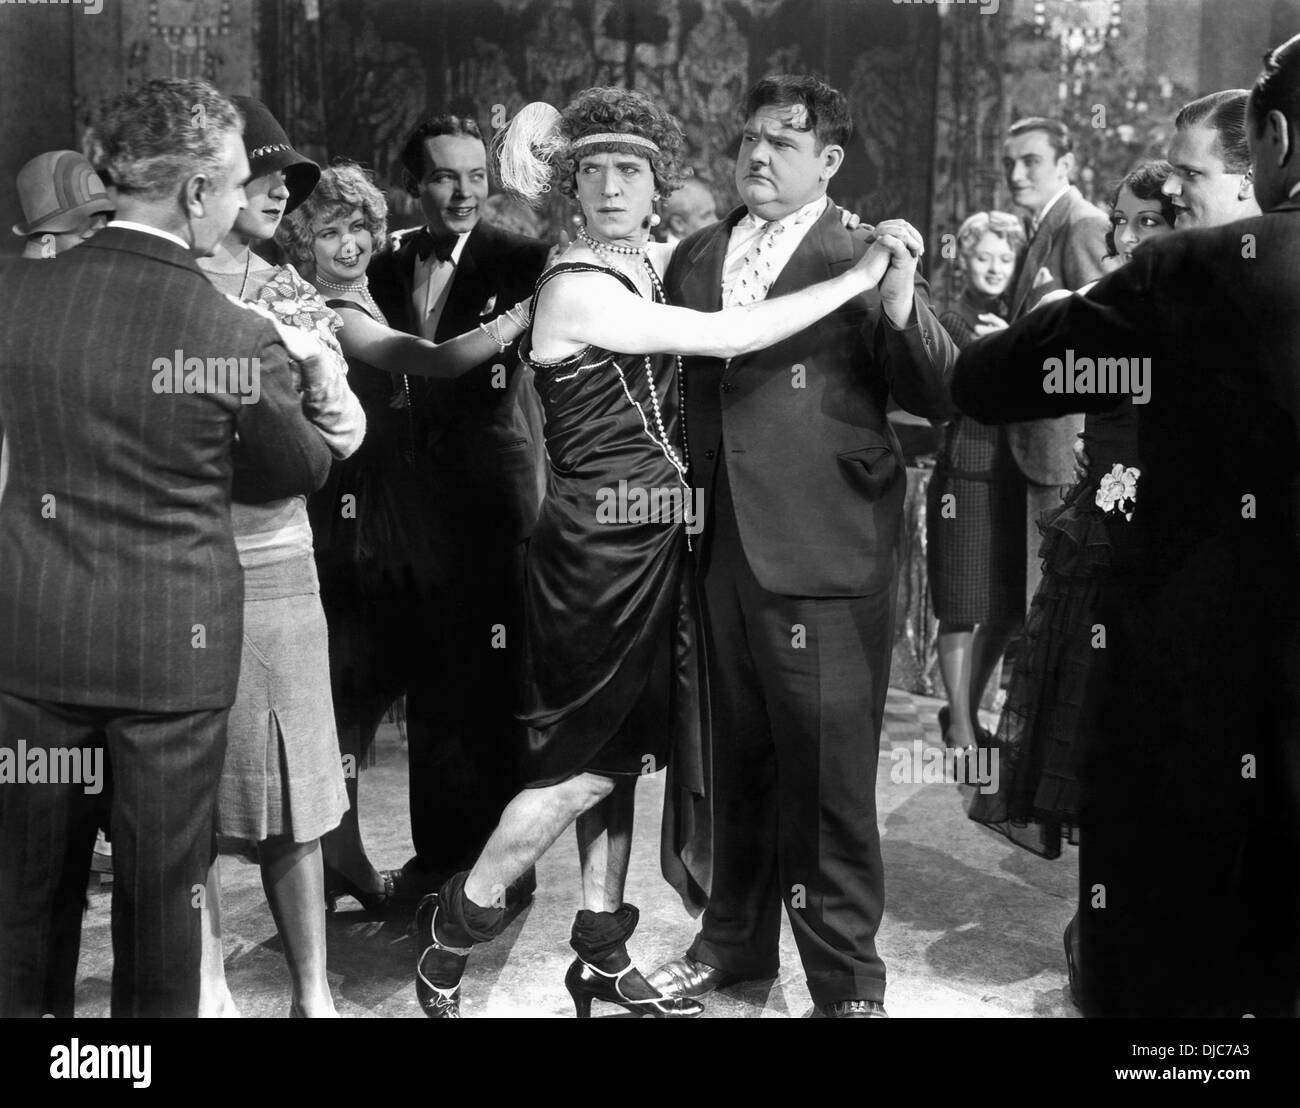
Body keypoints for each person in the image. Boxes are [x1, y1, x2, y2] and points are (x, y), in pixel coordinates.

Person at [412, 86, 905, 1019]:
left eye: (628, 170)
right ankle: (456, 924)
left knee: (626, 755)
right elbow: (727, 332)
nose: (607, 185)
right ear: (568, 186)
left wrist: (830, 232)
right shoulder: (580, 286)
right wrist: (861, 272)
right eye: (589, 170)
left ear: (654, 187)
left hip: (659, 542)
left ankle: (601, 948)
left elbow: (737, 257)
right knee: (579, 766)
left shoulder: (644, 261)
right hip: (596, 548)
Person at [953, 57, 1300, 1017]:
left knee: (1158, 964)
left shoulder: (1185, 274)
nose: (1171, 194)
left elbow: (989, 381)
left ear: (1272, 147)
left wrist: (1061, 314)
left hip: (1190, 687)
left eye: (1185, 179)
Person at [0, 78, 333, 1018]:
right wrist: (321, 388)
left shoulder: (14, 295)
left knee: (24, 902)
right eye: (231, 187)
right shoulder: (227, 332)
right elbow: (296, 467)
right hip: (167, 667)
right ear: (193, 194)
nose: (237, 206)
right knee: (158, 904)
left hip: (33, 647)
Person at [647, 74, 956, 1019]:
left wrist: (901, 302)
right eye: (747, 140)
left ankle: (847, 985)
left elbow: (940, 390)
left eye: (783, 143)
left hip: (826, 551)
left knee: (825, 780)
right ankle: (732, 945)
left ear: (829, 160)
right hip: (719, 546)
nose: (757, 156)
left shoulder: (867, 251)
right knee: (733, 762)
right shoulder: (696, 254)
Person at [280, 162, 539, 915]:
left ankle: (349, 861)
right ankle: (345, 861)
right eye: (328, 231)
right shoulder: (330, 307)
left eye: (359, 226)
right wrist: (517, 319)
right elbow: (435, 360)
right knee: (351, 699)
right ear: (305, 242)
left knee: (367, 695)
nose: (351, 242)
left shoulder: (368, 278)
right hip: (353, 519)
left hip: (396, 513)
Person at [194, 97, 365, 1018]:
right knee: (184, 790)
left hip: (275, 561)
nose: (273, 191)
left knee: (296, 783)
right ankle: (209, 982)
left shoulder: (290, 290)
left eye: (284, 180)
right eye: (255, 174)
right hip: (172, 556)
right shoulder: (162, 281)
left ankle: (311, 992)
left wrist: (323, 380)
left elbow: (344, 437)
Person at [365, 115, 552, 904]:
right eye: (445, 176)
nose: (465, 191)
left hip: (489, 501)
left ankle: (502, 870)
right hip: (406, 507)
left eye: (476, 174)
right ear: (416, 184)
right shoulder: (384, 262)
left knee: (495, 685)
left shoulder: (526, 261)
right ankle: (436, 857)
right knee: (429, 686)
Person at [1000, 118, 1111, 622]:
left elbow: (1103, 342)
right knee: (1030, 604)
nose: (1016, 174)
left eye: (1031, 161)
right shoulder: (1043, 226)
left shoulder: (1081, 223)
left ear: (1065, 164)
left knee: (1048, 606)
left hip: (1058, 443)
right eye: (1009, 163)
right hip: (1033, 441)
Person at [926, 210, 1027, 752]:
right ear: (963, 259)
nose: (994, 268)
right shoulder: (953, 322)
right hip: (965, 477)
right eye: (983, 256)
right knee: (961, 608)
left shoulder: (1011, 319)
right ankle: (962, 729)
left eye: (1005, 259)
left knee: (1006, 609)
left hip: (1010, 479)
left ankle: (964, 712)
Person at [11, 150, 113, 259]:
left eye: (104, 212)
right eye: (88, 215)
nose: (101, 225)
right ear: (49, 230)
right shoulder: (41, 261)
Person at [659, 174, 717, 244]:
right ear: (678, 223)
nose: (716, 221)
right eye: (706, 216)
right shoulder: (663, 253)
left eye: (714, 213)